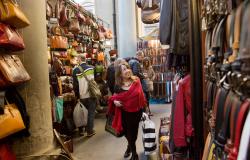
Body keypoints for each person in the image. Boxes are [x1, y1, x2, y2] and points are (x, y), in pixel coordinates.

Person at [108, 61, 146, 160]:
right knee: (127, 133)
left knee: (133, 134)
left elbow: (141, 95)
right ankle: (134, 153)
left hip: (136, 112)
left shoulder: (136, 80)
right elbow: (114, 97)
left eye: (128, 68)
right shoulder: (118, 85)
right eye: (124, 69)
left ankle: (130, 148)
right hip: (124, 113)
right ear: (120, 74)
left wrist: (144, 109)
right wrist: (115, 101)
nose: (128, 70)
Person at [72, 54, 97, 137]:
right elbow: (95, 80)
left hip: (82, 95)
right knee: (91, 113)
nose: (76, 60)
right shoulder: (92, 68)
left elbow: (75, 85)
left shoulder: (75, 70)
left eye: (77, 59)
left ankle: (81, 131)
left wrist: (77, 96)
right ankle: (90, 131)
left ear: (79, 60)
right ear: (85, 59)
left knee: (82, 113)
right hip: (91, 94)